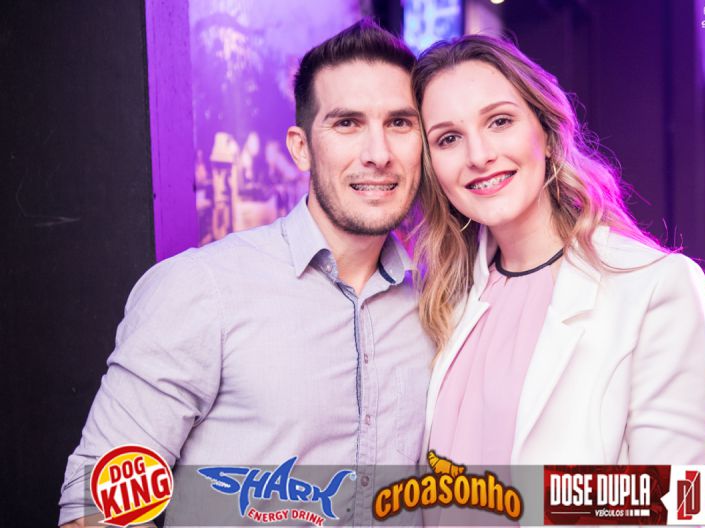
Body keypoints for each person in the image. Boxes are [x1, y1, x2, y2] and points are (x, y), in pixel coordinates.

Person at [58, 19, 433, 527]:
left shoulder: (436, 303)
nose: (378, 154)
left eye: (400, 123)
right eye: (347, 123)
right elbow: (99, 509)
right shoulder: (203, 290)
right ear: (301, 147)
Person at [411, 35, 705, 468]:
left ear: (548, 133)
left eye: (500, 121)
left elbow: (671, 498)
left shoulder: (655, 287)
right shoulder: (441, 299)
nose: (478, 155)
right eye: (448, 139)